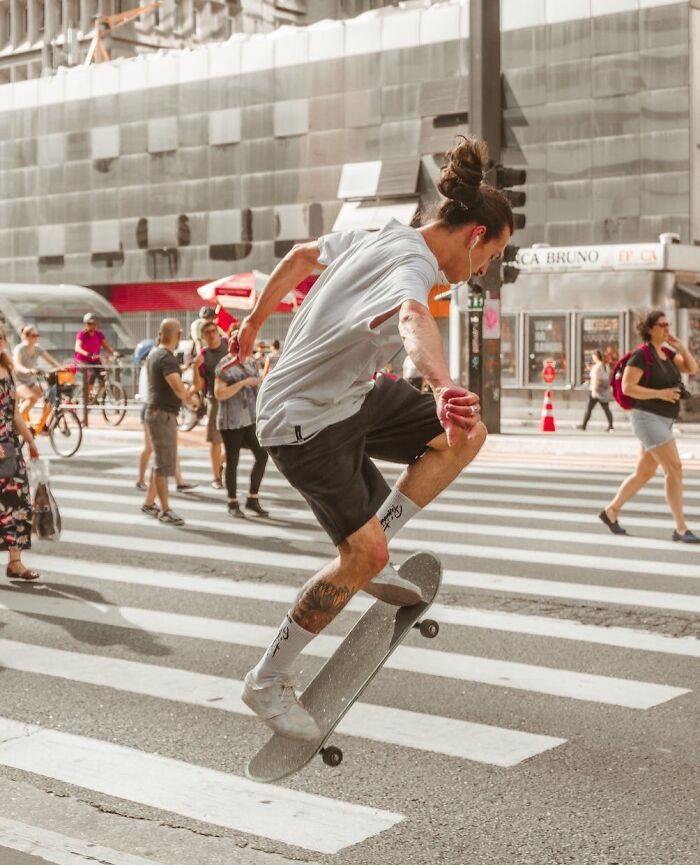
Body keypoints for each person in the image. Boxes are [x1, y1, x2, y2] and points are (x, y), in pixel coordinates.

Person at [235, 135, 512, 740]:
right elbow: (413, 318)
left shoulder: (382, 233)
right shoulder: (412, 264)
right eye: (492, 256)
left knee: (464, 434)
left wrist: (258, 316)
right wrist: (440, 384)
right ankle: (266, 680)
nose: (484, 271)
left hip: (352, 398)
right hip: (302, 421)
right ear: (474, 235)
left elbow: (304, 255)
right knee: (361, 558)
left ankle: (375, 541)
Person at [600, 310, 699, 543]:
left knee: (644, 473)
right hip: (646, 417)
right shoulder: (641, 356)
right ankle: (681, 528)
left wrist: (681, 347)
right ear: (650, 328)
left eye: (668, 324)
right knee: (674, 468)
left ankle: (611, 511)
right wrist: (661, 393)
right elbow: (627, 388)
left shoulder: (665, 353)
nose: (667, 329)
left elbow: (692, 369)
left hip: (664, 418)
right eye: (662, 325)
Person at [141, 319, 198, 526]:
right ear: (178, 335)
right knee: (163, 464)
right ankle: (164, 510)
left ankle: (149, 503)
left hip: (157, 412)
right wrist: (190, 400)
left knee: (160, 462)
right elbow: (175, 384)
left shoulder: (156, 354)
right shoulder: (166, 357)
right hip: (162, 414)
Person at [0, 324, 41, 580]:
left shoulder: (8, 369)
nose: (0, 340)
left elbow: (14, 412)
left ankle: (15, 562)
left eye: (1, 335)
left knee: (18, 504)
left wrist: (30, 440)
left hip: (10, 446)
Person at [214, 334, 269, 519]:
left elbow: (258, 384)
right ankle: (232, 502)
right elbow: (219, 393)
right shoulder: (224, 365)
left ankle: (252, 498)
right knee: (233, 461)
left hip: (249, 419)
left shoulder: (250, 362)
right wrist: (244, 383)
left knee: (262, 455)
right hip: (231, 420)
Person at [135, 340, 197, 494]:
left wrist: (188, 366)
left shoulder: (154, 362)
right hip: (152, 408)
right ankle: (141, 481)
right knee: (151, 449)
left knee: (170, 448)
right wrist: (188, 398)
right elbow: (170, 379)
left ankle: (179, 481)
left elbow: (172, 373)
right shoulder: (153, 364)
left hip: (156, 409)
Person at [194, 320, 228, 489]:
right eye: (208, 332)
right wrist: (195, 366)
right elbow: (199, 385)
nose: (212, 334)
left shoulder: (228, 344)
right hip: (214, 401)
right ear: (203, 336)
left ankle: (219, 464)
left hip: (235, 399)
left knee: (238, 441)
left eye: (214, 330)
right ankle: (216, 477)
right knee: (216, 441)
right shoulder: (203, 355)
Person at [13, 325, 62, 433]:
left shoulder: (38, 348)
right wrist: (27, 370)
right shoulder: (19, 349)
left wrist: (61, 368)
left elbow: (51, 361)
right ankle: (15, 424)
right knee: (32, 398)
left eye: (37, 335)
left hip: (30, 382)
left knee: (48, 397)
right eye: (33, 335)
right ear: (26, 336)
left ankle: (42, 425)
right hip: (17, 382)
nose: (36, 338)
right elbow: (16, 364)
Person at [74, 313, 114, 387]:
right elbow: (77, 348)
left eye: (94, 323)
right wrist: (87, 353)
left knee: (104, 377)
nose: (92, 325)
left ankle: (99, 396)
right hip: (82, 361)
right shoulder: (82, 334)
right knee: (91, 374)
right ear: (85, 324)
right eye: (89, 323)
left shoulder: (99, 334)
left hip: (94, 360)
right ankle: (87, 396)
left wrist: (114, 353)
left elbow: (107, 347)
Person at [579, 349, 614, 432]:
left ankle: (584, 425)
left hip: (596, 390)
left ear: (596, 356)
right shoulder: (605, 365)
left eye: (593, 356)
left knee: (589, 408)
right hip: (604, 390)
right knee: (606, 408)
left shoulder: (597, 366)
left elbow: (596, 379)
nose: (592, 358)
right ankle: (611, 426)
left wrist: (594, 390)